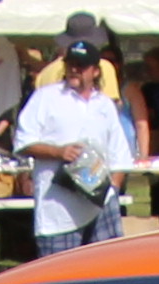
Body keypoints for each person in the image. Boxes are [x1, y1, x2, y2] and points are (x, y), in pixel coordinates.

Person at [15, 18, 141, 257]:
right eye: (71, 64)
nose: (74, 70)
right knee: (59, 275)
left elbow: (120, 155)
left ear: (95, 71)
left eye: (81, 66)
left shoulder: (104, 104)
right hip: (58, 209)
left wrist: (111, 191)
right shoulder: (45, 98)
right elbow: (23, 142)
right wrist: (58, 152)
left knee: (107, 271)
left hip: (100, 207)